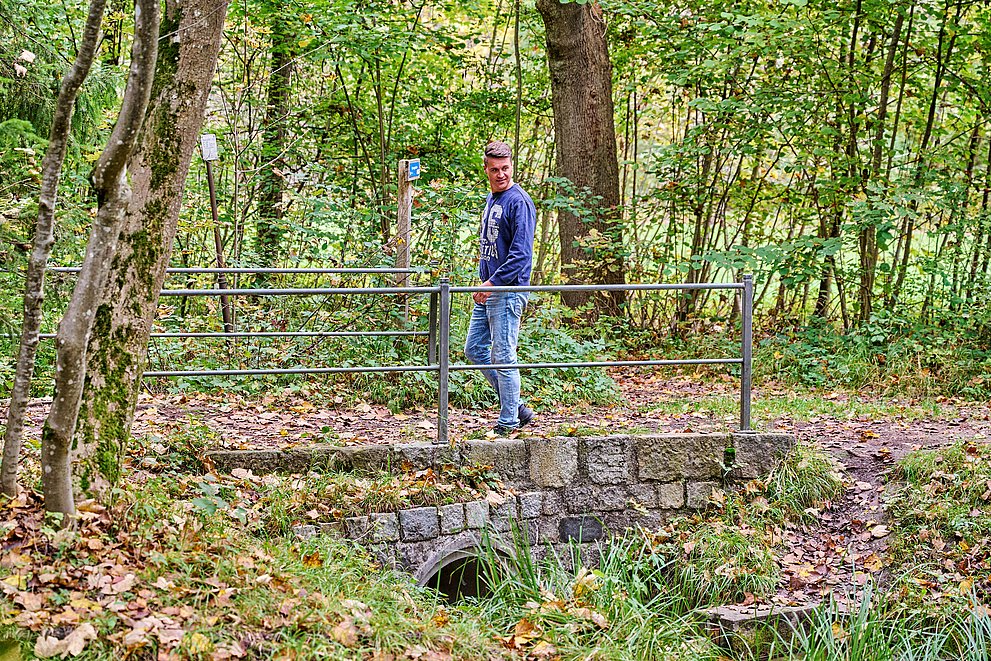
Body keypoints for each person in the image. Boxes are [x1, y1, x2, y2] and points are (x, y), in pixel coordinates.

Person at [464, 141, 537, 434]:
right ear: (486, 169)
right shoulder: (492, 200)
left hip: (507, 291)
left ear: (512, 167)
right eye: (494, 169)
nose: (500, 174)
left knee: (504, 355)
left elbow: (521, 255)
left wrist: (492, 283)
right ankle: (515, 405)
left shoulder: (519, 202)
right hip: (489, 290)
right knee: (474, 350)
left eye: (505, 168)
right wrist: (485, 281)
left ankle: (507, 423)